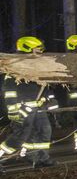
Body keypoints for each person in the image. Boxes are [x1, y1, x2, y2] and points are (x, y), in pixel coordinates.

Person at [0, 37, 58, 170]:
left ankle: (40, 159)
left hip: (39, 107)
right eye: (37, 49)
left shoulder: (36, 67)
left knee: (44, 131)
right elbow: (9, 91)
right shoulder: (16, 67)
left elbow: (44, 86)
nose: (40, 52)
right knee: (20, 137)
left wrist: (50, 99)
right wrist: (12, 109)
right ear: (27, 48)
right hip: (23, 108)